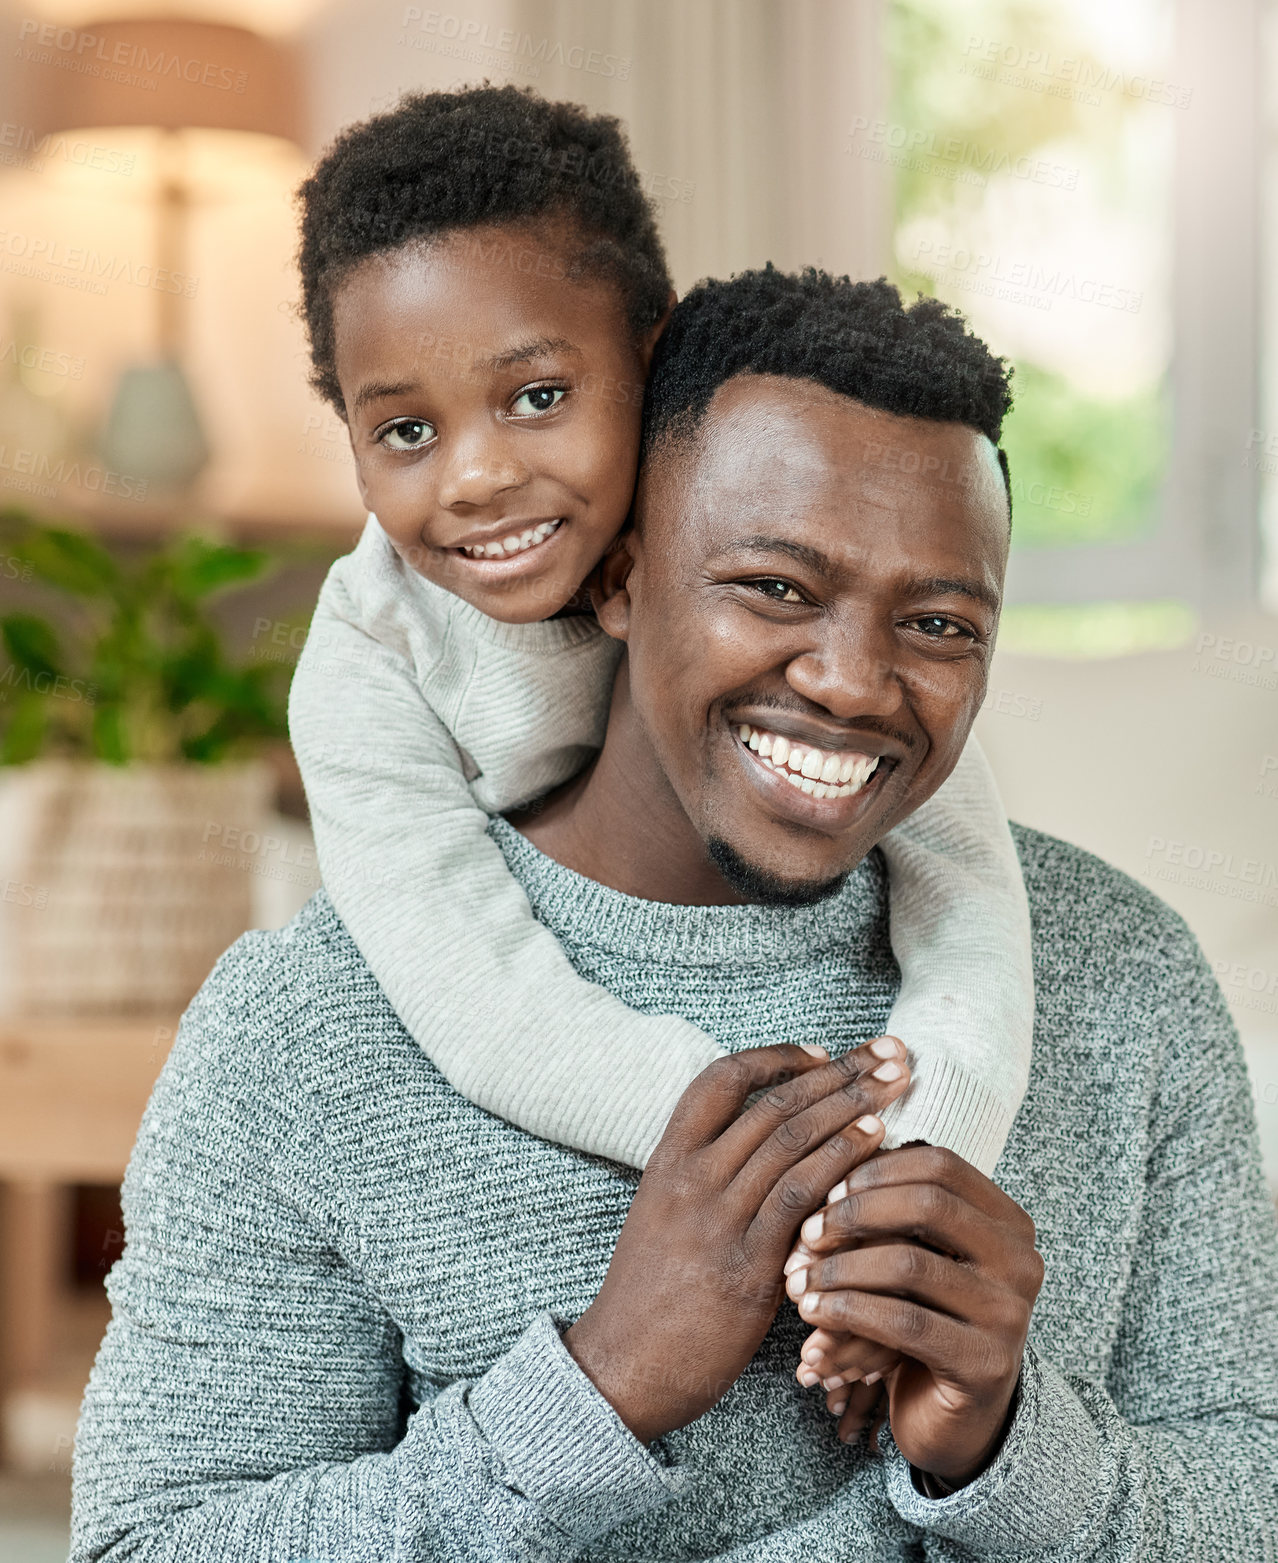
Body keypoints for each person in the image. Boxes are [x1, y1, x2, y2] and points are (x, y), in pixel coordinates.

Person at [69, 268, 1278, 1560]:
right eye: (773, 587)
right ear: (618, 576)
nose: (850, 681)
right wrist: (596, 1388)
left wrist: (1005, 1436)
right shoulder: (310, 1028)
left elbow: (1247, 1498)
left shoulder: (1124, 977)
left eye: (934, 622)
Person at [286, 83, 1033, 1205]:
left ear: (653, 357)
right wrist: (783, 1162)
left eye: (538, 396)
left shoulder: (786, 586)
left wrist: (935, 1139)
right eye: (404, 430)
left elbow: (969, 899)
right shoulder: (368, 664)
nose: (477, 477)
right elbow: (482, 999)